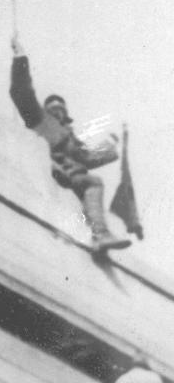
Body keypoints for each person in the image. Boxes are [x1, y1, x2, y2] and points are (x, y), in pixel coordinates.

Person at [9, 35, 131, 258]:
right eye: (53, 108)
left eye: (61, 109)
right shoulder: (42, 122)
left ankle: (101, 235)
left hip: (73, 176)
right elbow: (22, 94)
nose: (58, 112)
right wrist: (20, 59)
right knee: (93, 182)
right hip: (57, 172)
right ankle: (101, 234)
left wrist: (111, 147)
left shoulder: (70, 137)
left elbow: (85, 157)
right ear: (46, 111)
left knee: (91, 181)